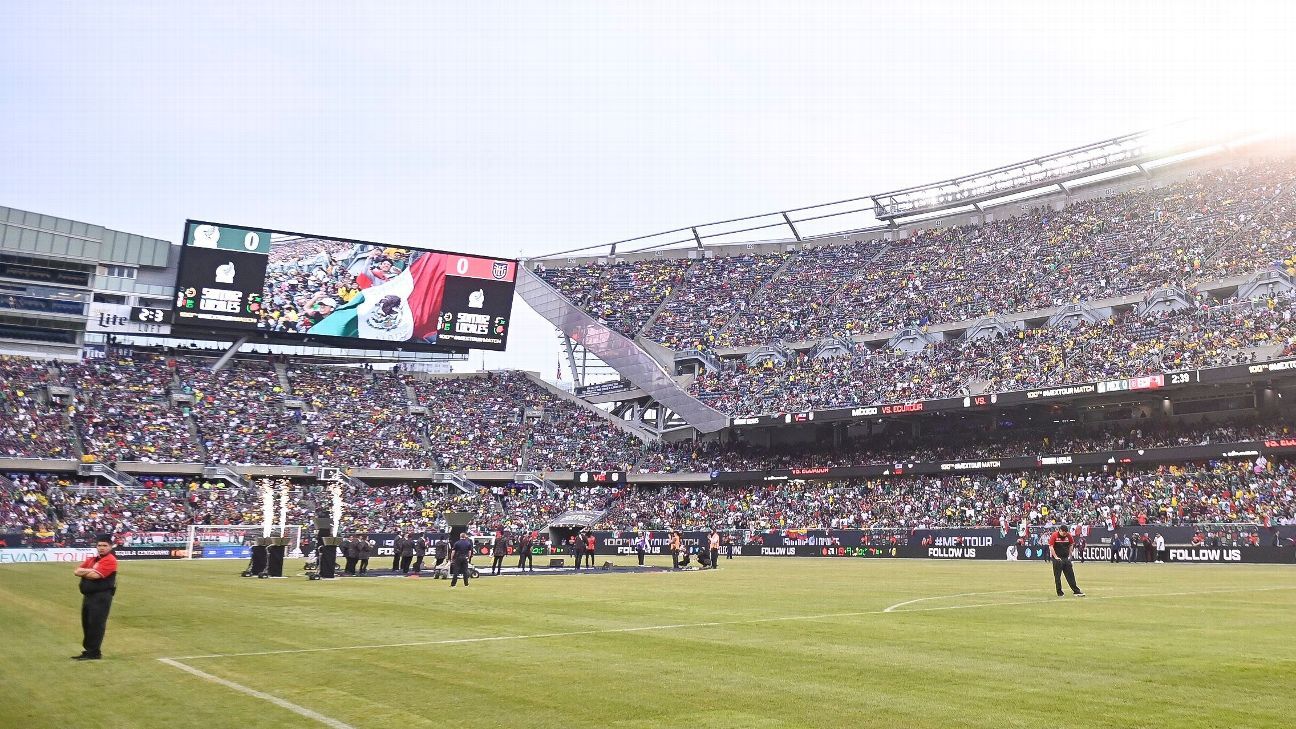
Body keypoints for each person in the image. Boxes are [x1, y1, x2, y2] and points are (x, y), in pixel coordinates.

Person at [72, 536, 118, 660]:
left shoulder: (110, 560)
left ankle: (94, 652)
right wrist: (91, 570)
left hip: (101, 597)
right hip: (89, 596)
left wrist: (86, 572)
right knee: (87, 623)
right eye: (99, 545)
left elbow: (95, 576)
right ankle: (89, 650)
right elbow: (76, 571)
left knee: (96, 624)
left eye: (105, 545)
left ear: (110, 546)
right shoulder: (93, 559)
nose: (101, 548)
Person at [1048, 524, 1085, 598]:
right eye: (1063, 533)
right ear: (1060, 531)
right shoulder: (1054, 535)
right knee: (1057, 576)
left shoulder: (1068, 535)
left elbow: (1071, 544)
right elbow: (1051, 547)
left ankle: (1076, 591)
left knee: (1071, 575)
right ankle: (1059, 592)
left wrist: (1070, 555)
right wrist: (1055, 557)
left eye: (1066, 533)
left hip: (1066, 558)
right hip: (1057, 559)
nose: (1065, 535)